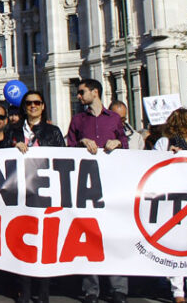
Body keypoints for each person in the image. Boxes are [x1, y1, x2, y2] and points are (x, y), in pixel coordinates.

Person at [67, 79, 128, 303]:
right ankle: (91, 289)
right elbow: (68, 148)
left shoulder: (113, 118)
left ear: (95, 92)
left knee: (113, 235)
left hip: (111, 184)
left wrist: (118, 144)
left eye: (82, 92)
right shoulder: (77, 119)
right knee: (88, 235)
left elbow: (126, 144)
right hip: (87, 185)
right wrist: (81, 141)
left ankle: (118, 288)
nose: (78, 97)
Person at [6, 91, 63, 303]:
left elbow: (63, 157)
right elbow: (0, 156)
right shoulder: (13, 131)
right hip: (21, 192)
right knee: (23, 241)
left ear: (43, 106)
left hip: (45, 192)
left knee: (45, 241)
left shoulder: (53, 131)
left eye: (37, 103)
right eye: (29, 103)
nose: (33, 106)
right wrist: (13, 148)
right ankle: (25, 289)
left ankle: (44, 291)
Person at [153, 108, 187, 303]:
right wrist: (168, 155)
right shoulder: (165, 142)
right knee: (176, 246)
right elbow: (151, 165)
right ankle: (177, 290)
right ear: (183, 123)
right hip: (173, 201)